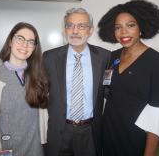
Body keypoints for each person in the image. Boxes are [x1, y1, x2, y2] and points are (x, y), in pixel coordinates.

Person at [98, 0, 159, 156]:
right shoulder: (112, 57)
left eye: (130, 25)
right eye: (118, 27)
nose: (124, 32)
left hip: (138, 132)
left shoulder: (157, 61)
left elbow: (157, 114)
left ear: (142, 27)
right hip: (110, 127)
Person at [43, 8, 111, 156]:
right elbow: (39, 92)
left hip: (91, 131)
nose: (75, 30)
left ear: (91, 30)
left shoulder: (105, 57)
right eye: (70, 25)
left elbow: (109, 92)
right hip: (60, 130)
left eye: (81, 26)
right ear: (64, 29)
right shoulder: (49, 58)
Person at [0, 22, 49, 156]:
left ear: (34, 48)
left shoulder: (39, 76)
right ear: (10, 41)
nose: (24, 45)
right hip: (4, 150)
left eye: (30, 42)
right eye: (20, 38)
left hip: (35, 150)